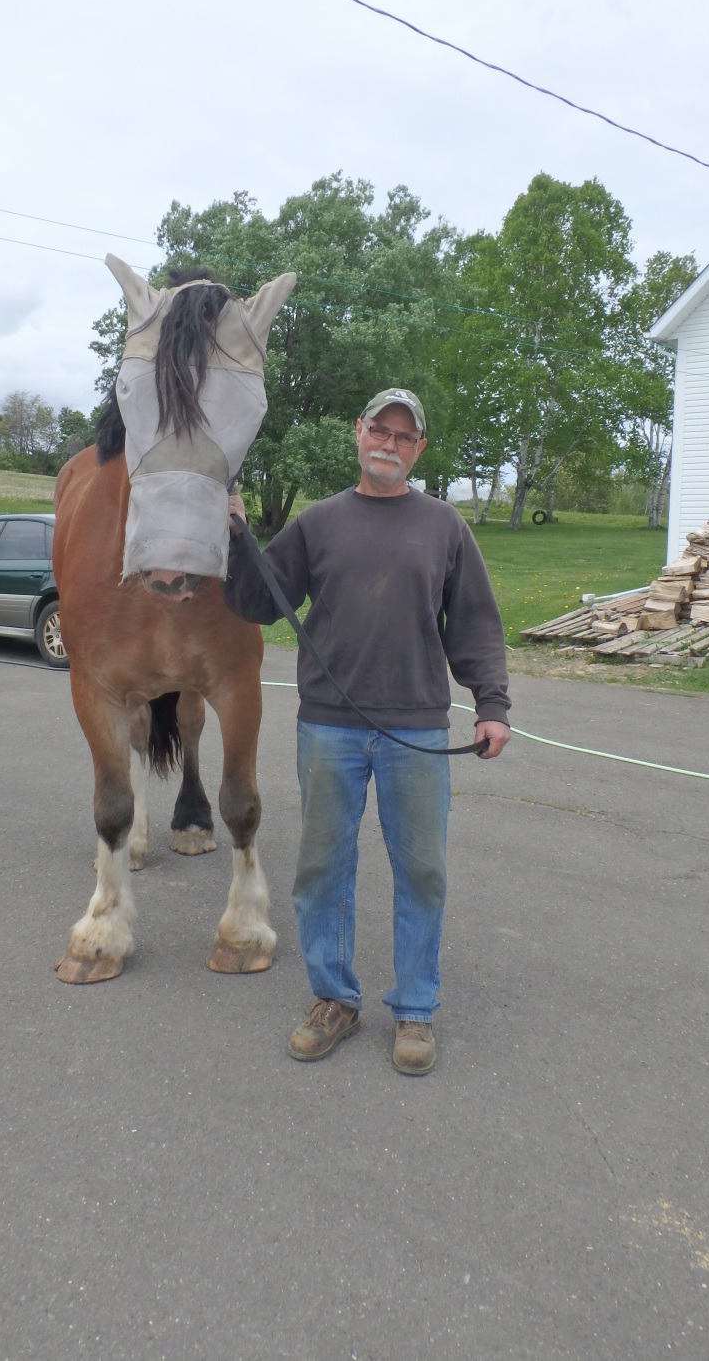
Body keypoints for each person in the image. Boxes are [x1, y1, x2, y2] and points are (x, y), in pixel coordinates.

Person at [224, 387, 510, 1075]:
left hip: (415, 727)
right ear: (358, 433)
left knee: (423, 871)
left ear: (419, 450)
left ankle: (414, 1009)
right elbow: (258, 600)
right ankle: (334, 999)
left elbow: (472, 622)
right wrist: (237, 535)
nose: (388, 442)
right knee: (323, 868)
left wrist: (492, 703)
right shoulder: (318, 523)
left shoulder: (445, 527)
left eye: (403, 435)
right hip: (329, 727)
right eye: (379, 429)